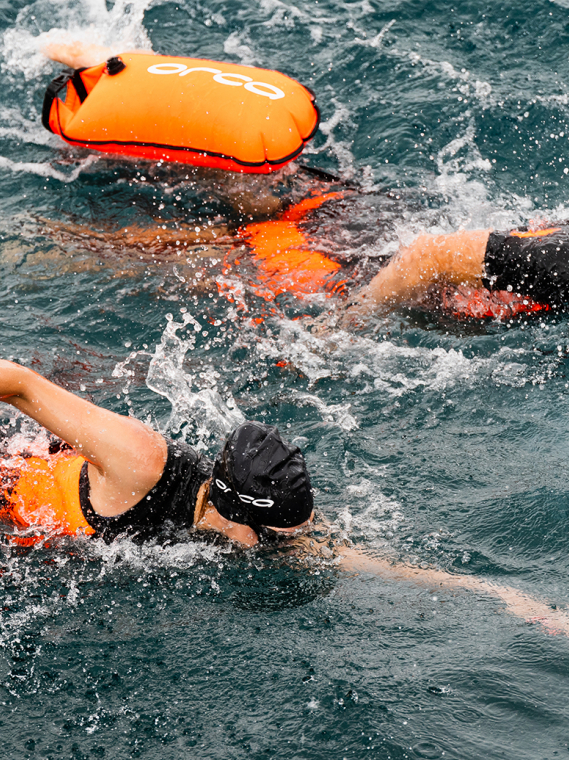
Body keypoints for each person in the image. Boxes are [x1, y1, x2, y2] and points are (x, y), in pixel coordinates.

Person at [0, 359, 314, 548]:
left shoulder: (260, 513)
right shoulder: (140, 461)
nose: (287, 548)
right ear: (235, 514)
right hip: (14, 497)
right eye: (275, 541)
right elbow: (21, 384)